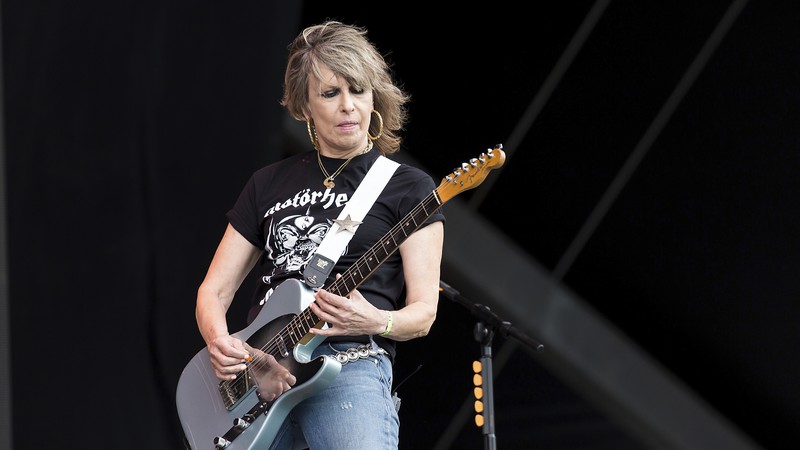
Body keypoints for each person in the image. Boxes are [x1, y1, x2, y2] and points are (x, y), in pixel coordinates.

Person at [194, 21, 445, 449]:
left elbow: (423, 313)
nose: (348, 106)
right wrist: (222, 345)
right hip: (259, 370)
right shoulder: (267, 182)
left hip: (350, 365)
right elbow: (214, 292)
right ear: (304, 106)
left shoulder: (409, 187)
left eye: (358, 91)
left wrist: (378, 320)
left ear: (375, 97)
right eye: (330, 94)